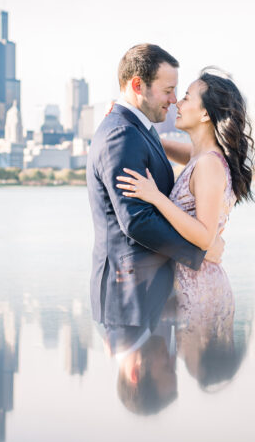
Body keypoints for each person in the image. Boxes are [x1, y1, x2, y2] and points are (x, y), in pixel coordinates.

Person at [86, 44, 225, 360]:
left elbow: (201, 159)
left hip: (149, 296)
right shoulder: (121, 133)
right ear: (138, 86)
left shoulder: (137, 128)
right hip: (129, 299)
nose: (174, 99)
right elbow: (136, 220)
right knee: (147, 388)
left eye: (178, 92)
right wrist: (199, 252)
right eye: (168, 90)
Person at [115, 67, 255, 328]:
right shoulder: (200, 157)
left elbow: (204, 237)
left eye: (187, 97)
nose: (177, 102)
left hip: (198, 291)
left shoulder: (209, 165)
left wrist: (156, 197)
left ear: (205, 113)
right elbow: (159, 143)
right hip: (189, 284)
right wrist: (130, 117)